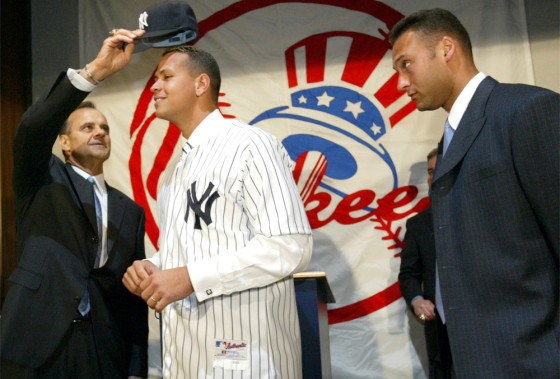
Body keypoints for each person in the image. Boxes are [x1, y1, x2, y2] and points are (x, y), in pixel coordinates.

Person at [123, 45, 313, 378]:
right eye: (155, 79)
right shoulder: (174, 171)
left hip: (248, 354)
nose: (154, 87)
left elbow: (290, 245)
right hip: (185, 357)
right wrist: (153, 266)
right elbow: (189, 248)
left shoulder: (250, 144)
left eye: (166, 77)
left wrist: (191, 278)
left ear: (200, 85)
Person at [390, 8, 559, 378]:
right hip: (471, 356)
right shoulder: (450, 137)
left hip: (532, 355)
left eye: (407, 64)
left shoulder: (527, 109)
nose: (402, 82)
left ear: (447, 49)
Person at [0, 28, 149, 378]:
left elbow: (133, 294)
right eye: (87, 128)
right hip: (37, 345)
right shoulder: (41, 178)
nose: (99, 132)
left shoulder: (131, 211)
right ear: (64, 143)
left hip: (105, 350)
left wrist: (137, 366)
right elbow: (33, 129)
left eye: (104, 128)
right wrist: (95, 70)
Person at [399, 148, 452, 379]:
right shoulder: (418, 225)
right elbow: (408, 274)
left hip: (480, 325)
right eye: (429, 171)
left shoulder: (479, 217)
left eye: (437, 169)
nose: (431, 177)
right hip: (438, 331)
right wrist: (417, 300)